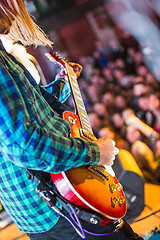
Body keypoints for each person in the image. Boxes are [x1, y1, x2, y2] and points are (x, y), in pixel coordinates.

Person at [0, 1, 144, 240]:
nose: (17, 12)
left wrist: (65, 84)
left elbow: (34, 107)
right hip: (57, 200)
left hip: (42, 205)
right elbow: (23, 146)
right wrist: (95, 153)